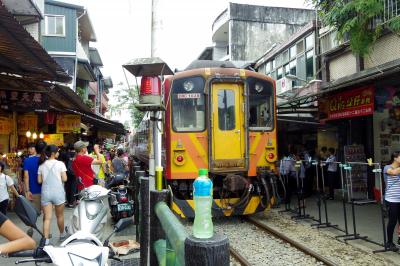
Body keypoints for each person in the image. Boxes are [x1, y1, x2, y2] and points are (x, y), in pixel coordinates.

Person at [38, 145, 68, 243]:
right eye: (57, 151)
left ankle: (45, 240)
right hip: (58, 192)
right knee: (60, 216)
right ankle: (62, 235)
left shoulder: (41, 166)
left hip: (46, 192)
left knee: (47, 218)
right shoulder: (60, 164)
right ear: (53, 153)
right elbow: (65, 179)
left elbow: (39, 181)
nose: (58, 153)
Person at [383, 152, 400, 251]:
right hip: (391, 200)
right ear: (395, 158)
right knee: (392, 221)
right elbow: (393, 173)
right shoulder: (387, 167)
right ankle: (389, 242)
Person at [23, 142, 46, 214]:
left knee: (34, 214)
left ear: (36, 149)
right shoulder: (45, 160)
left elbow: (26, 177)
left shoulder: (27, 160)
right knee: (46, 215)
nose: (29, 150)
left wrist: (27, 190)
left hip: (33, 191)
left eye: (31, 148)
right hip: (46, 191)